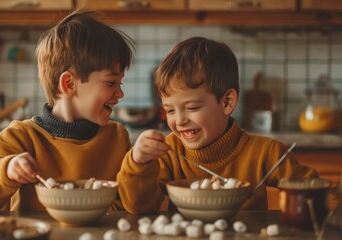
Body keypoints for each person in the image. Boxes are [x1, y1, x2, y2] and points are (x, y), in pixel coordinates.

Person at [117, 37, 319, 214]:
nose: (179, 121)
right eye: (170, 110)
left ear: (227, 102)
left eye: (192, 107)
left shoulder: (266, 153)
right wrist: (139, 162)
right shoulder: (168, 154)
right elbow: (140, 207)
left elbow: (318, 194)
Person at [0, 10, 135, 213]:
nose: (120, 93)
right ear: (69, 83)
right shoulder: (21, 136)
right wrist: (8, 170)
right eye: (111, 83)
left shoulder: (117, 138)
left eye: (120, 83)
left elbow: (130, 203)